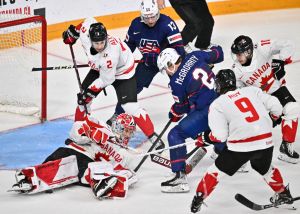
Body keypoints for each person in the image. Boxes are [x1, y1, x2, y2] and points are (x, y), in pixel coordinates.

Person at [190, 69, 295, 213]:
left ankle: (198, 199)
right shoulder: (252, 91)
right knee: (265, 168)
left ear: (219, 85)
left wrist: (204, 138)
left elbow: (220, 136)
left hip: (240, 147)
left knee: (215, 171)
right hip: (266, 141)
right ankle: (284, 194)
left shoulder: (217, 104)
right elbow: (276, 105)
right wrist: (274, 118)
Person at [62, 17, 165, 150]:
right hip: (100, 69)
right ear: (89, 38)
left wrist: (90, 91)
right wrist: (73, 32)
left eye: (102, 43)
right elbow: (87, 21)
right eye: (96, 43)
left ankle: (152, 136)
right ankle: (79, 131)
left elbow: (106, 80)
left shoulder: (110, 55)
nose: (100, 46)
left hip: (123, 73)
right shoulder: (85, 31)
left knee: (130, 107)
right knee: (83, 100)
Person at [10, 113, 138, 199]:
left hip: (87, 161)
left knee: (88, 170)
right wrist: (89, 133)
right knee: (57, 158)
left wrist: (122, 175)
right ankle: (31, 177)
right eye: (126, 130)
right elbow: (75, 130)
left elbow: (123, 169)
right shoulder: (102, 127)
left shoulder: (125, 153)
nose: (128, 135)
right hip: (73, 150)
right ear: (118, 127)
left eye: (131, 132)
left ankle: (101, 185)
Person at [156, 45, 224, 193]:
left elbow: (182, 107)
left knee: (176, 134)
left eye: (166, 69)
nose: (167, 73)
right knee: (209, 123)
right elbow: (219, 54)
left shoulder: (176, 82)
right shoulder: (195, 55)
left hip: (208, 111)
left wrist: (173, 112)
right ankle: (225, 152)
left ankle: (179, 177)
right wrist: (213, 50)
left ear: (171, 64)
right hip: (223, 102)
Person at [108, 0, 185, 124]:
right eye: (147, 17)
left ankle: (190, 110)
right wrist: (117, 61)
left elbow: (179, 50)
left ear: (158, 12)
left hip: (171, 63)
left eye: (153, 16)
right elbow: (127, 47)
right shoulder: (135, 25)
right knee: (130, 89)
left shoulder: (167, 24)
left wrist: (160, 58)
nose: (150, 21)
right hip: (148, 63)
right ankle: (118, 114)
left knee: (183, 85)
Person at [230, 35, 300, 164]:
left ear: (249, 52)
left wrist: (281, 60)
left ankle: (286, 146)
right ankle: (227, 152)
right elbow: (238, 93)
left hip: (278, 90)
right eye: (236, 54)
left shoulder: (262, 47)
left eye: (240, 54)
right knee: (251, 131)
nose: (237, 58)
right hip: (262, 101)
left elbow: (288, 43)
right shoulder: (237, 71)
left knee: (293, 109)